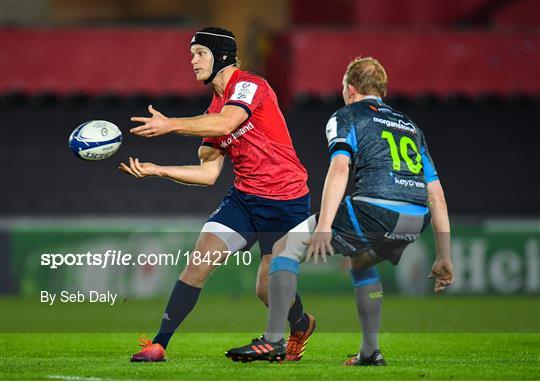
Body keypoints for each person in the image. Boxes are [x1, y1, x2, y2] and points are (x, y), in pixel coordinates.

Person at [225, 57, 454, 365]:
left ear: (350, 89)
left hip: (376, 208)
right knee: (359, 260)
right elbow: (436, 195)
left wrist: (324, 226)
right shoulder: (410, 126)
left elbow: (340, 168)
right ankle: (370, 353)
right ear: (381, 90)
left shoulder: (346, 116)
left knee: (284, 247)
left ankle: (273, 341)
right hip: (415, 218)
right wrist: (444, 257)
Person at [120, 27, 316, 362]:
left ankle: (300, 324)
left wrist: (170, 125)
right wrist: (158, 169)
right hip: (244, 199)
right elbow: (209, 174)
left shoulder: (250, 85)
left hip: (286, 200)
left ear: (221, 56)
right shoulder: (212, 111)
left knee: (266, 291)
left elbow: (228, 124)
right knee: (197, 264)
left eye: (200, 53)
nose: (193, 61)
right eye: (192, 54)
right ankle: (159, 344)